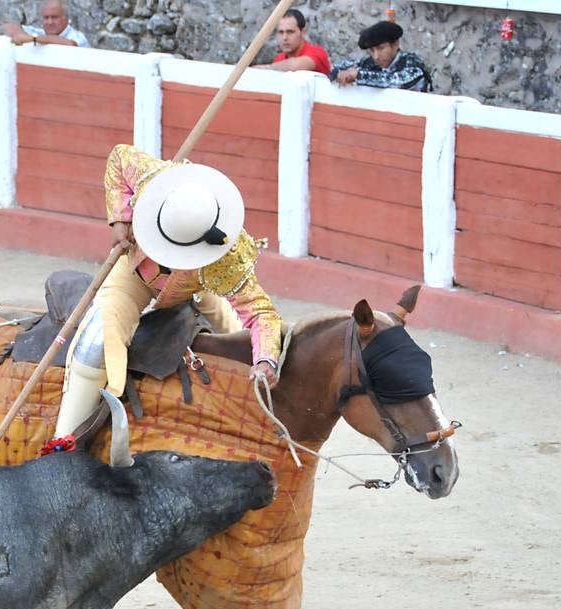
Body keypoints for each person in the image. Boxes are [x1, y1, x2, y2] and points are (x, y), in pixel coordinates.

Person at [47, 144, 284, 445]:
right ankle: (63, 443)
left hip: (197, 287)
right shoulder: (153, 180)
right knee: (96, 340)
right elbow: (119, 157)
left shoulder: (226, 253)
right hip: (135, 276)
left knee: (237, 343)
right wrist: (120, 217)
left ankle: (253, 427)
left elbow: (261, 313)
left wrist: (265, 361)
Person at [330, 21, 432, 92]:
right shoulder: (369, 63)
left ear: (395, 44)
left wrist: (359, 76)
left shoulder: (413, 64)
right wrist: (341, 74)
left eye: (380, 48)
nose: (376, 56)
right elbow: (334, 68)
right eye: (371, 50)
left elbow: (395, 82)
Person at [252, 9, 330, 75]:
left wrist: (266, 68)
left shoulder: (317, 52)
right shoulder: (279, 59)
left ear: (303, 32)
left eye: (290, 32)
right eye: (281, 32)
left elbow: (294, 66)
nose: (284, 37)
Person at [0, 0, 89, 48]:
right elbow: (8, 27)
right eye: (46, 18)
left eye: (54, 17)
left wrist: (32, 39)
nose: (49, 22)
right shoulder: (40, 33)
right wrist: (23, 36)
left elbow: (69, 45)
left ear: (65, 18)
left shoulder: (78, 36)